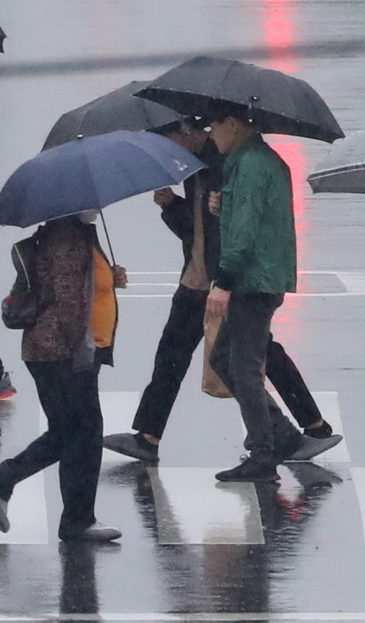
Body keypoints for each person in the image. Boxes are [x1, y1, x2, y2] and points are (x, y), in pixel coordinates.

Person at [102, 118, 336, 464]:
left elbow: (234, 227)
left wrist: (224, 281)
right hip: (197, 278)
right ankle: (149, 436)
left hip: (222, 280)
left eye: (171, 141)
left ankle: (304, 427)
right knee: (174, 355)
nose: (169, 151)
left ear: (187, 131)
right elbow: (194, 230)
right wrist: (170, 205)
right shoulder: (195, 168)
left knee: (253, 354)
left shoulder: (228, 162)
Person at [203, 113, 342, 483]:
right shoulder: (258, 162)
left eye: (213, 125)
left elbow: (245, 232)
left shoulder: (250, 165)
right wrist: (223, 206)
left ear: (232, 123)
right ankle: (281, 435)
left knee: (244, 367)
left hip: (253, 280)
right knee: (223, 357)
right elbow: (253, 215)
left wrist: (224, 281)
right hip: (262, 277)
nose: (210, 133)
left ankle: (264, 454)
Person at [0, 211, 124, 542]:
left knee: (70, 432)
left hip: (58, 352)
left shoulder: (76, 231)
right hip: (61, 353)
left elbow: (81, 287)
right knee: (82, 432)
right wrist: (79, 352)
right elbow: (70, 304)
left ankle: (2, 483)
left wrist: (109, 277)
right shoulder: (68, 239)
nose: (97, 208)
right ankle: (75, 519)